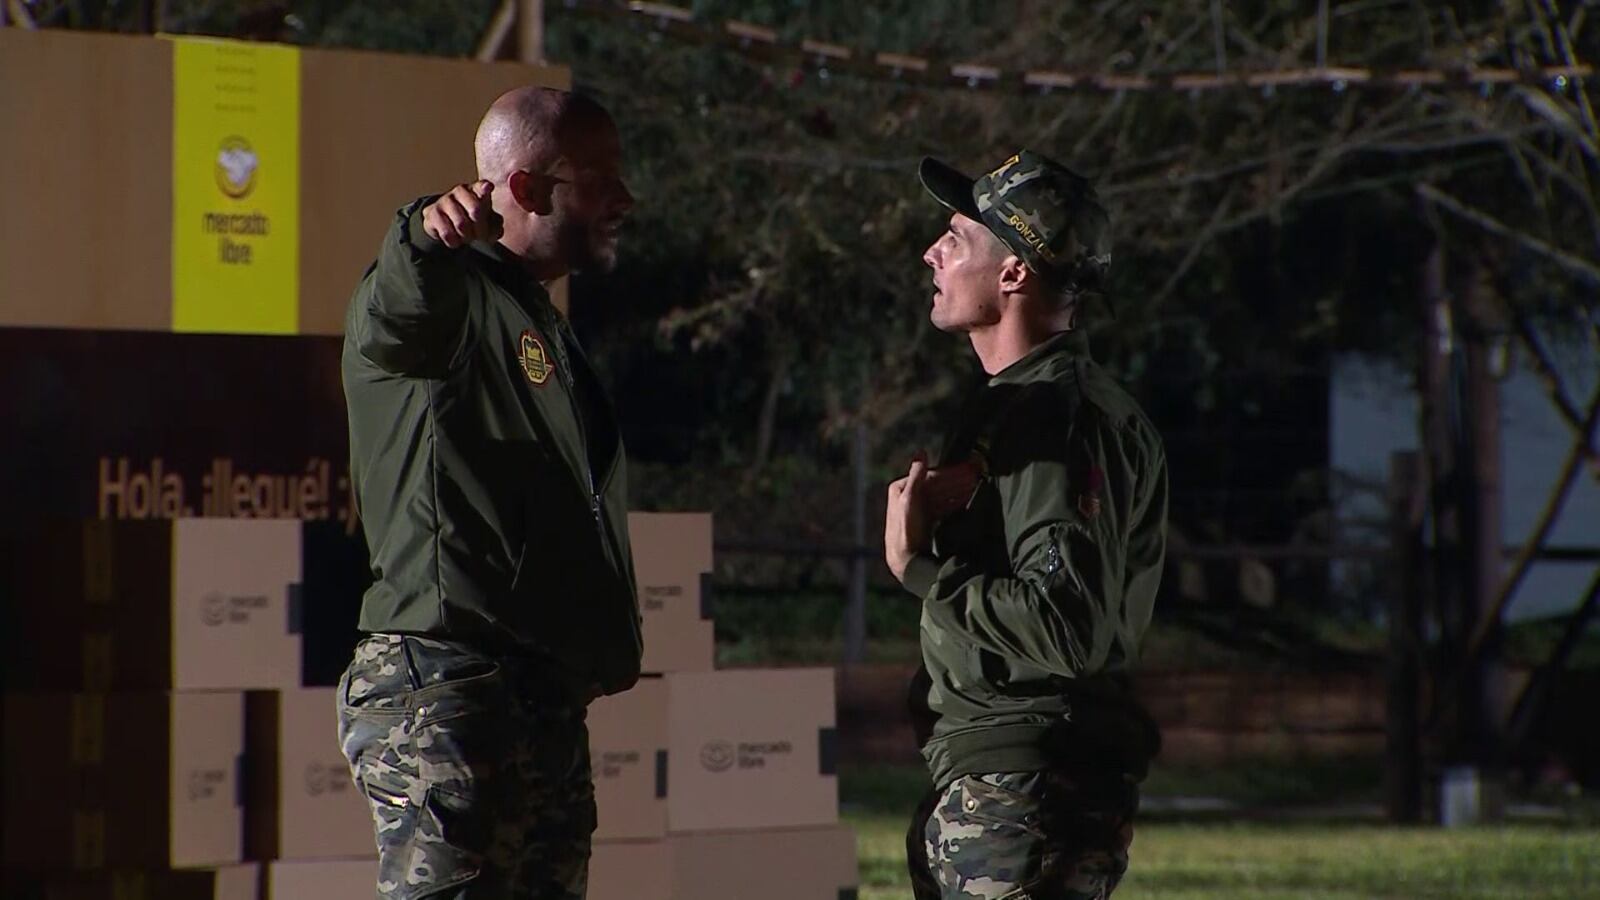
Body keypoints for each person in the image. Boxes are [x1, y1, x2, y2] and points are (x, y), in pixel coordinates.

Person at [336, 87, 639, 899]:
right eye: (602, 176)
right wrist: (422, 237)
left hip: (531, 700)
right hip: (449, 689)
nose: (625, 197)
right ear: (532, 190)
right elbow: (400, 315)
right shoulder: (451, 292)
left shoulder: (531, 314)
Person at [885, 149, 1169, 900]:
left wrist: (920, 567)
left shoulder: (1053, 415)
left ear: (1013, 274)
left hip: (1027, 792)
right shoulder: (1022, 406)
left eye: (956, 236)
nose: (932, 252)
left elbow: (1065, 625)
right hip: (1008, 784)